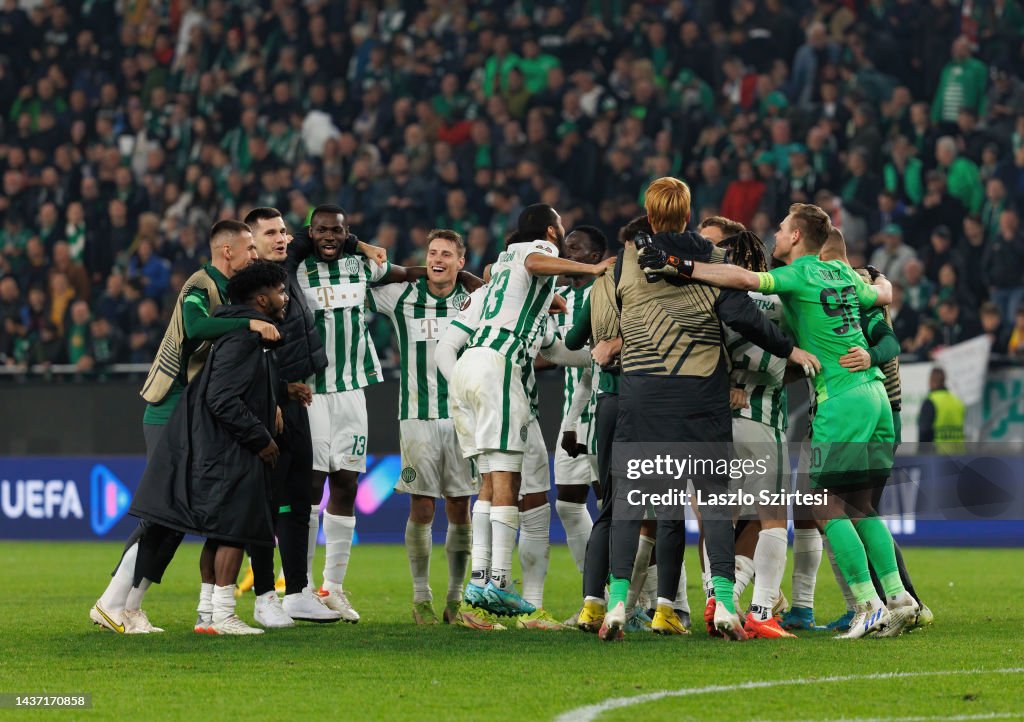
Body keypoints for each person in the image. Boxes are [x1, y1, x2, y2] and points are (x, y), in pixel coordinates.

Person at [643, 203, 920, 639]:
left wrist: (681, 265)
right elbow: (883, 295)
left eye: (781, 228)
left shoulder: (801, 273)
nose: (775, 233)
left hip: (841, 397)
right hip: (875, 395)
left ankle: (868, 605)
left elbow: (743, 280)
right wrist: (882, 279)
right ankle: (899, 598)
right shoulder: (844, 274)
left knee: (822, 503)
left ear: (796, 238)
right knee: (860, 505)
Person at [605, 178, 815, 642]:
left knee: (637, 501)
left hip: (643, 393)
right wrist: (789, 349)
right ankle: (723, 602)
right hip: (700, 395)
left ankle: (617, 603)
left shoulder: (625, 260)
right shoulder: (712, 260)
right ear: (686, 212)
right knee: (715, 504)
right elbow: (743, 317)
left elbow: (607, 321)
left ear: (648, 211)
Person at [90, 220, 276, 635]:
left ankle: (130, 607)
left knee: (175, 517)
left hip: (192, 413)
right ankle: (110, 602)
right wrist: (248, 324)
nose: (254, 254)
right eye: (248, 247)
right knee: (161, 512)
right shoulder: (199, 284)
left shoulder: (231, 291)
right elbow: (194, 329)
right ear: (226, 251)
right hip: (168, 405)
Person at [446, 204, 613, 618]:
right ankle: (500, 581)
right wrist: (592, 270)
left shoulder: (503, 271)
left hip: (473, 371)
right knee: (507, 477)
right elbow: (535, 259)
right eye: (560, 227)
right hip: (498, 368)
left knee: (488, 480)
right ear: (550, 231)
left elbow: (554, 347)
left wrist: (594, 351)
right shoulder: (533, 248)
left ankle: (482, 581)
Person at [129, 260, 290, 635]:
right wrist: (260, 438)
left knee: (220, 531)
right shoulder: (244, 338)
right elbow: (222, 398)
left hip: (224, 446)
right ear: (262, 300)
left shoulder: (242, 335)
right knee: (235, 530)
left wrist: (280, 395)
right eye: (280, 292)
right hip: (233, 448)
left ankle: (207, 613)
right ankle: (223, 615)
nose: (285, 298)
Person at [366, 229, 476, 626]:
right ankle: (421, 597)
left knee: (462, 506)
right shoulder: (403, 298)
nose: (438, 259)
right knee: (423, 505)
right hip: (417, 418)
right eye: (432, 253)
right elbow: (362, 279)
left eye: (447, 254)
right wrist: (406, 270)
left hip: (464, 417)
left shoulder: (473, 302)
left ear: (461, 262)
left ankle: (456, 596)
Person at [241, 207, 342, 627]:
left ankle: (298, 591)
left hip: (298, 395)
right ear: (252, 241)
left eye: (283, 231)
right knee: (266, 502)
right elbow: (246, 356)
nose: (282, 238)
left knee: (300, 496)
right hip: (269, 404)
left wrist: (362, 245)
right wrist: (278, 396)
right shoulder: (247, 288)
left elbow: (316, 234)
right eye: (270, 233)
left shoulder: (289, 263)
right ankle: (264, 595)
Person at [552, 225, 607, 581]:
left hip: (605, 410)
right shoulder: (555, 296)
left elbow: (595, 357)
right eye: (564, 246)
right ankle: (594, 592)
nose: (565, 253)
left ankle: (646, 601)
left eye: (574, 248)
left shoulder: (605, 294)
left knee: (615, 507)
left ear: (594, 258)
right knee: (568, 505)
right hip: (571, 414)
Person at [918, 367, 965, 454]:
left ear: (932, 381)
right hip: (959, 456)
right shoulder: (957, 402)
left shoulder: (931, 401)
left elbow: (924, 432)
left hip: (938, 458)